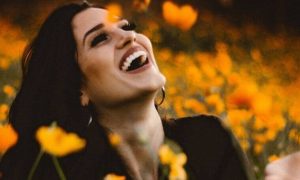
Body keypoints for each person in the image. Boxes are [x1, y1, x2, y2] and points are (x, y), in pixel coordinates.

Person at [0, 2, 253, 180]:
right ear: (79, 91)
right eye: (100, 39)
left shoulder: (211, 141)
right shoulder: (78, 173)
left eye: (126, 26)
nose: (128, 37)